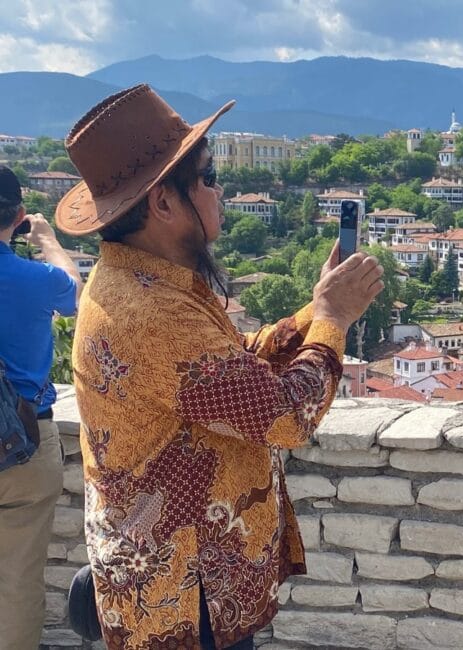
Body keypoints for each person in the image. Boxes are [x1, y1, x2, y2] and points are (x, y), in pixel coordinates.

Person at [56, 84, 383, 649]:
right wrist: (334, 319)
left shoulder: (147, 282)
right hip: (185, 594)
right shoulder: (150, 310)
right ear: (162, 202)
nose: (219, 189)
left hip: (187, 577)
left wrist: (317, 307)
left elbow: (231, 367)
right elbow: (285, 417)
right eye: (207, 177)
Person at [0, 165, 82, 650]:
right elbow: (78, 296)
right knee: (18, 580)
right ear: (19, 216)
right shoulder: (36, 278)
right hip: (27, 442)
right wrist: (49, 241)